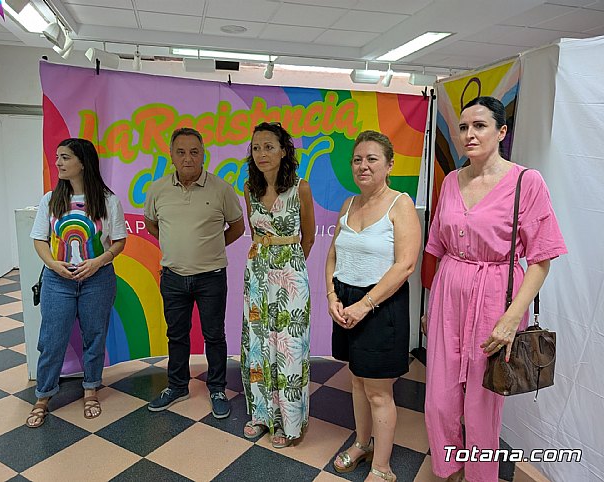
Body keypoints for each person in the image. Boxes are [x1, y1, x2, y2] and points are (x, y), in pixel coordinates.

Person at [423, 96, 567, 482]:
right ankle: (449, 468)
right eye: (463, 127)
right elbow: (437, 248)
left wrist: (511, 318)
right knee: (439, 400)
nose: (469, 134)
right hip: (449, 293)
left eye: (480, 125)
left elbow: (541, 259)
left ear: (501, 132)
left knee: (482, 404)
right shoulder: (451, 181)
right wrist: (431, 304)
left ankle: (479, 476)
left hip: (495, 297)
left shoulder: (526, 182)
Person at [326, 130, 421, 481]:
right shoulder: (349, 204)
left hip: (380, 306)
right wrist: (332, 297)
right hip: (346, 302)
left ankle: (382, 468)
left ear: (389, 165)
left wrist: (364, 306)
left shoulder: (401, 204)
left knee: (378, 391)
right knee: (356, 379)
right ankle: (362, 444)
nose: (363, 166)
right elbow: (333, 255)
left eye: (371, 159)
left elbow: (405, 265)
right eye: (357, 159)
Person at [26, 138, 127, 428]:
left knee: (95, 336)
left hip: (98, 279)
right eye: (58, 157)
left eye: (65, 157)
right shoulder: (50, 199)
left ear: (83, 163)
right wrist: (53, 264)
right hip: (57, 281)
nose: (58, 162)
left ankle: (91, 389)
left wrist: (98, 262)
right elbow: (40, 239)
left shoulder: (108, 200)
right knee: (51, 339)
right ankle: (44, 395)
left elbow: (119, 241)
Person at [144, 127, 244, 418]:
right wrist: (176, 245)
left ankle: (217, 388)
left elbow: (237, 227)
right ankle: (177, 386)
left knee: (214, 335)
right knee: (176, 335)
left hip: (211, 276)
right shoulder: (158, 189)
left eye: (194, 152)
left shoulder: (221, 189)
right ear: (171, 155)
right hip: (173, 276)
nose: (188, 158)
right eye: (181, 152)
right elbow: (152, 224)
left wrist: (210, 247)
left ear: (203, 155)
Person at [240, 122, 315, 448]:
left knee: (287, 348)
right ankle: (261, 415)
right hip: (257, 276)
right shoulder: (249, 188)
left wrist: (289, 270)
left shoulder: (300, 188)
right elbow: (254, 233)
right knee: (258, 345)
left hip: (290, 278)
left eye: (269, 146)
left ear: (284, 151)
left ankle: (287, 421)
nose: (262, 153)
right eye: (256, 148)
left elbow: (308, 237)